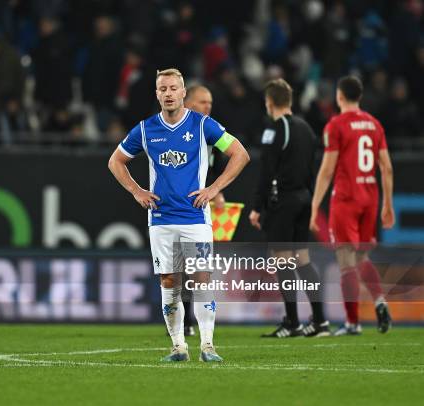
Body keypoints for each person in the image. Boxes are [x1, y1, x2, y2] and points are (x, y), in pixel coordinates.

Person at [108, 68, 250, 362]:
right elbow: (116, 161)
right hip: (161, 219)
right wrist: (137, 191)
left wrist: (213, 188)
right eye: (163, 89)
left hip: (195, 217)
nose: (169, 94)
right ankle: (178, 346)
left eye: (174, 88)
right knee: (169, 282)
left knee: (201, 280)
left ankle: (208, 346)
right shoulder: (146, 129)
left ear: (184, 93)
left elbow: (240, 154)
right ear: (157, 94)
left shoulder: (202, 125)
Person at [310, 75, 394, 336]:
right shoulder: (374, 125)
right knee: (362, 257)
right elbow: (387, 168)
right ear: (360, 96)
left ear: (340, 96)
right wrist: (387, 204)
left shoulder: (336, 125)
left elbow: (326, 171)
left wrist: (315, 207)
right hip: (370, 197)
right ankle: (380, 300)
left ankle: (353, 322)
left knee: (346, 260)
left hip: (346, 198)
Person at [248, 79, 329, 338]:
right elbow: (310, 169)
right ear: (290, 100)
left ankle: (292, 322)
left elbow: (266, 169)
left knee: (282, 260)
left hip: (283, 200)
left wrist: (258, 206)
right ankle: (320, 321)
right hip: (304, 197)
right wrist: (311, 201)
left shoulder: (275, 128)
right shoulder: (306, 128)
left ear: (269, 102)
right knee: (303, 260)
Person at [175, 84, 226, 337]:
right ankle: (181, 322)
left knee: (196, 267)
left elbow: (217, 167)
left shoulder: (211, 133)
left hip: (198, 209)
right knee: (179, 267)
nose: (208, 107)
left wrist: (216, 190)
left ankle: (195, 324)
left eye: (211, 102)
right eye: (203, 102)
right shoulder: (178, 130)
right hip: (175, 208)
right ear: (190, 103)